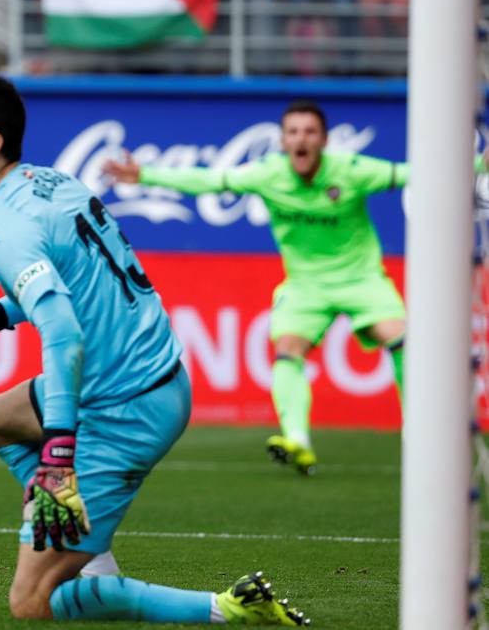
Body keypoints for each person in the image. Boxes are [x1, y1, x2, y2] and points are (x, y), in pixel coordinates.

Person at [0, 75, 310, 625]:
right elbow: (74, 285)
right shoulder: (53, 183)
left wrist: (58, 458)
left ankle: (226, 611)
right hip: (155, 378)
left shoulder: (2, 229)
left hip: (123, 409)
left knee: (29, 601)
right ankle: (92, 553)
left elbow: (62, 334)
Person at [104, 100, 436, 475]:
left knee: (402, 337)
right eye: (293, 132)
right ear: (282, 141)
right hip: (305, 285)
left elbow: (414, 173)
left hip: (362, 279)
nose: (301, 140)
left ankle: (419, 431)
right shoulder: (268, 174)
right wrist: (145, 175)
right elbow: (210, 181)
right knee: (288, 348)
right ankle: (297, 440)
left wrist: (478, 165)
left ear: (324, 140)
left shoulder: (353, 171)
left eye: (310, 132)